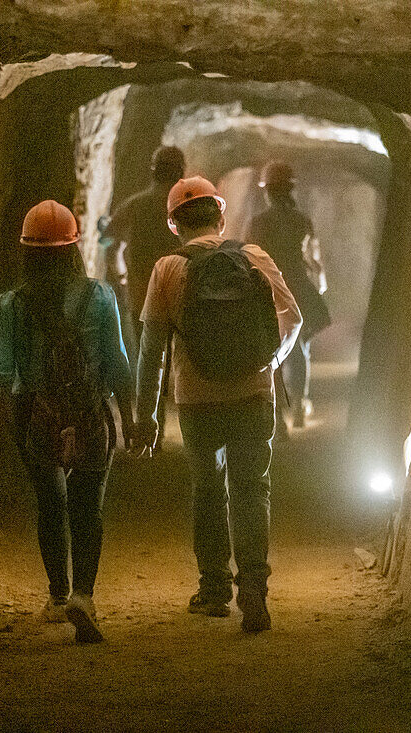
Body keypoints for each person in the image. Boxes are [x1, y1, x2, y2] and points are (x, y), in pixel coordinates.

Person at [135, 176, 302, 633]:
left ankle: (212, 591)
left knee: (208, 488)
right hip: (253, 394)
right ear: (221, 216)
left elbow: (151, 349)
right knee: (252, 488)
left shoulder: (167, 270)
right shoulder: (255, 257)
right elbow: (293, 319)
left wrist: (144, 416)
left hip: (197, 400)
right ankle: (254, 590)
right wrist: (268, 361)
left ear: (174, 226)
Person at [0, 199, 135, 644]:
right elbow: (117, 362)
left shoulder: (10, 305)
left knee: (51, 502)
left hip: (35, 412)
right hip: (89, 409)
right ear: (74, 247)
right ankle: (83, 596)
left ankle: (56, 594)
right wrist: (130, 418)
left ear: (26, 251)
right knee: (88, 506)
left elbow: (0, 369)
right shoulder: (100, 296)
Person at [102, 145, 186, 450]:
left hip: (144, 295)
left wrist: (119, 272)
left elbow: (109, 238)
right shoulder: (184, 207)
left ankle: (154, 429)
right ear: (180, 172)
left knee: (149, 363)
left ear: (153, 170)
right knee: (185, 362)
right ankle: (197, 432)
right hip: (182, 295)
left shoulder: (136, 204)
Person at [247, 162, 330, 434]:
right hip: (298, 289)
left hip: (267, 289)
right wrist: (319, 286)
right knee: (299, 349)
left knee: (271, 353)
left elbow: (248, 259)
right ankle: (297, 407)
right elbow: (313, 259)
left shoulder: (258, 223)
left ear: (268, 191)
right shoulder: (301, 220)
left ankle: (277, 415)